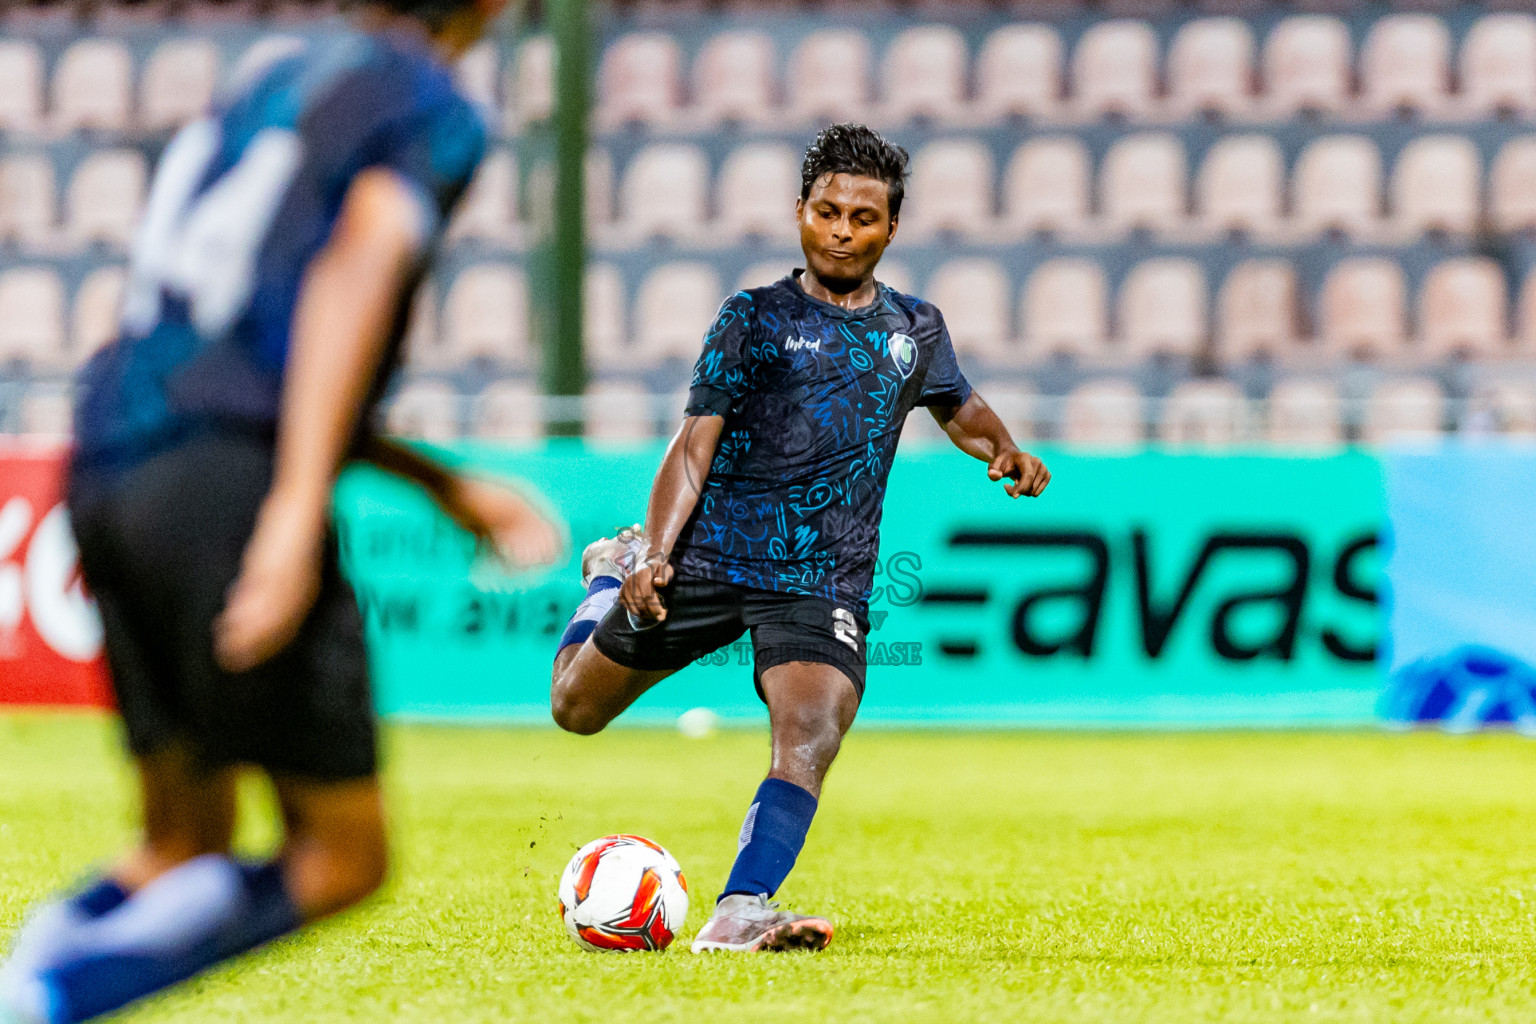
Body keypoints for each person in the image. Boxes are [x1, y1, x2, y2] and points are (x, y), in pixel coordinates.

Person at [0, 3, 562, 1021]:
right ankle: (42, 1000)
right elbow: (353, 266)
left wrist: (434, 483)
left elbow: (237, 334)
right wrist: (297, 512)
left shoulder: (272, 78)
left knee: (178, 844)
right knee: (343, 852)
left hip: (109, 456)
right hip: (225, 477)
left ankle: (31, 981)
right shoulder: (426, 101)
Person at [549, 123, 1051, 953]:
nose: (843, 230)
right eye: (827, 212)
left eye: (863, 217)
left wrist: (1001, 447)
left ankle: (742, 909)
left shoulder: (915, 330)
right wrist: (659, 554)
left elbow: (956, 402)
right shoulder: (752, 318)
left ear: (892, 228)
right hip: (708, 555)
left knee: (814, 729)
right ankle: (611, 575)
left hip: (822, 580)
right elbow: (694, 442)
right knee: (575, 708)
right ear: (799, 214)